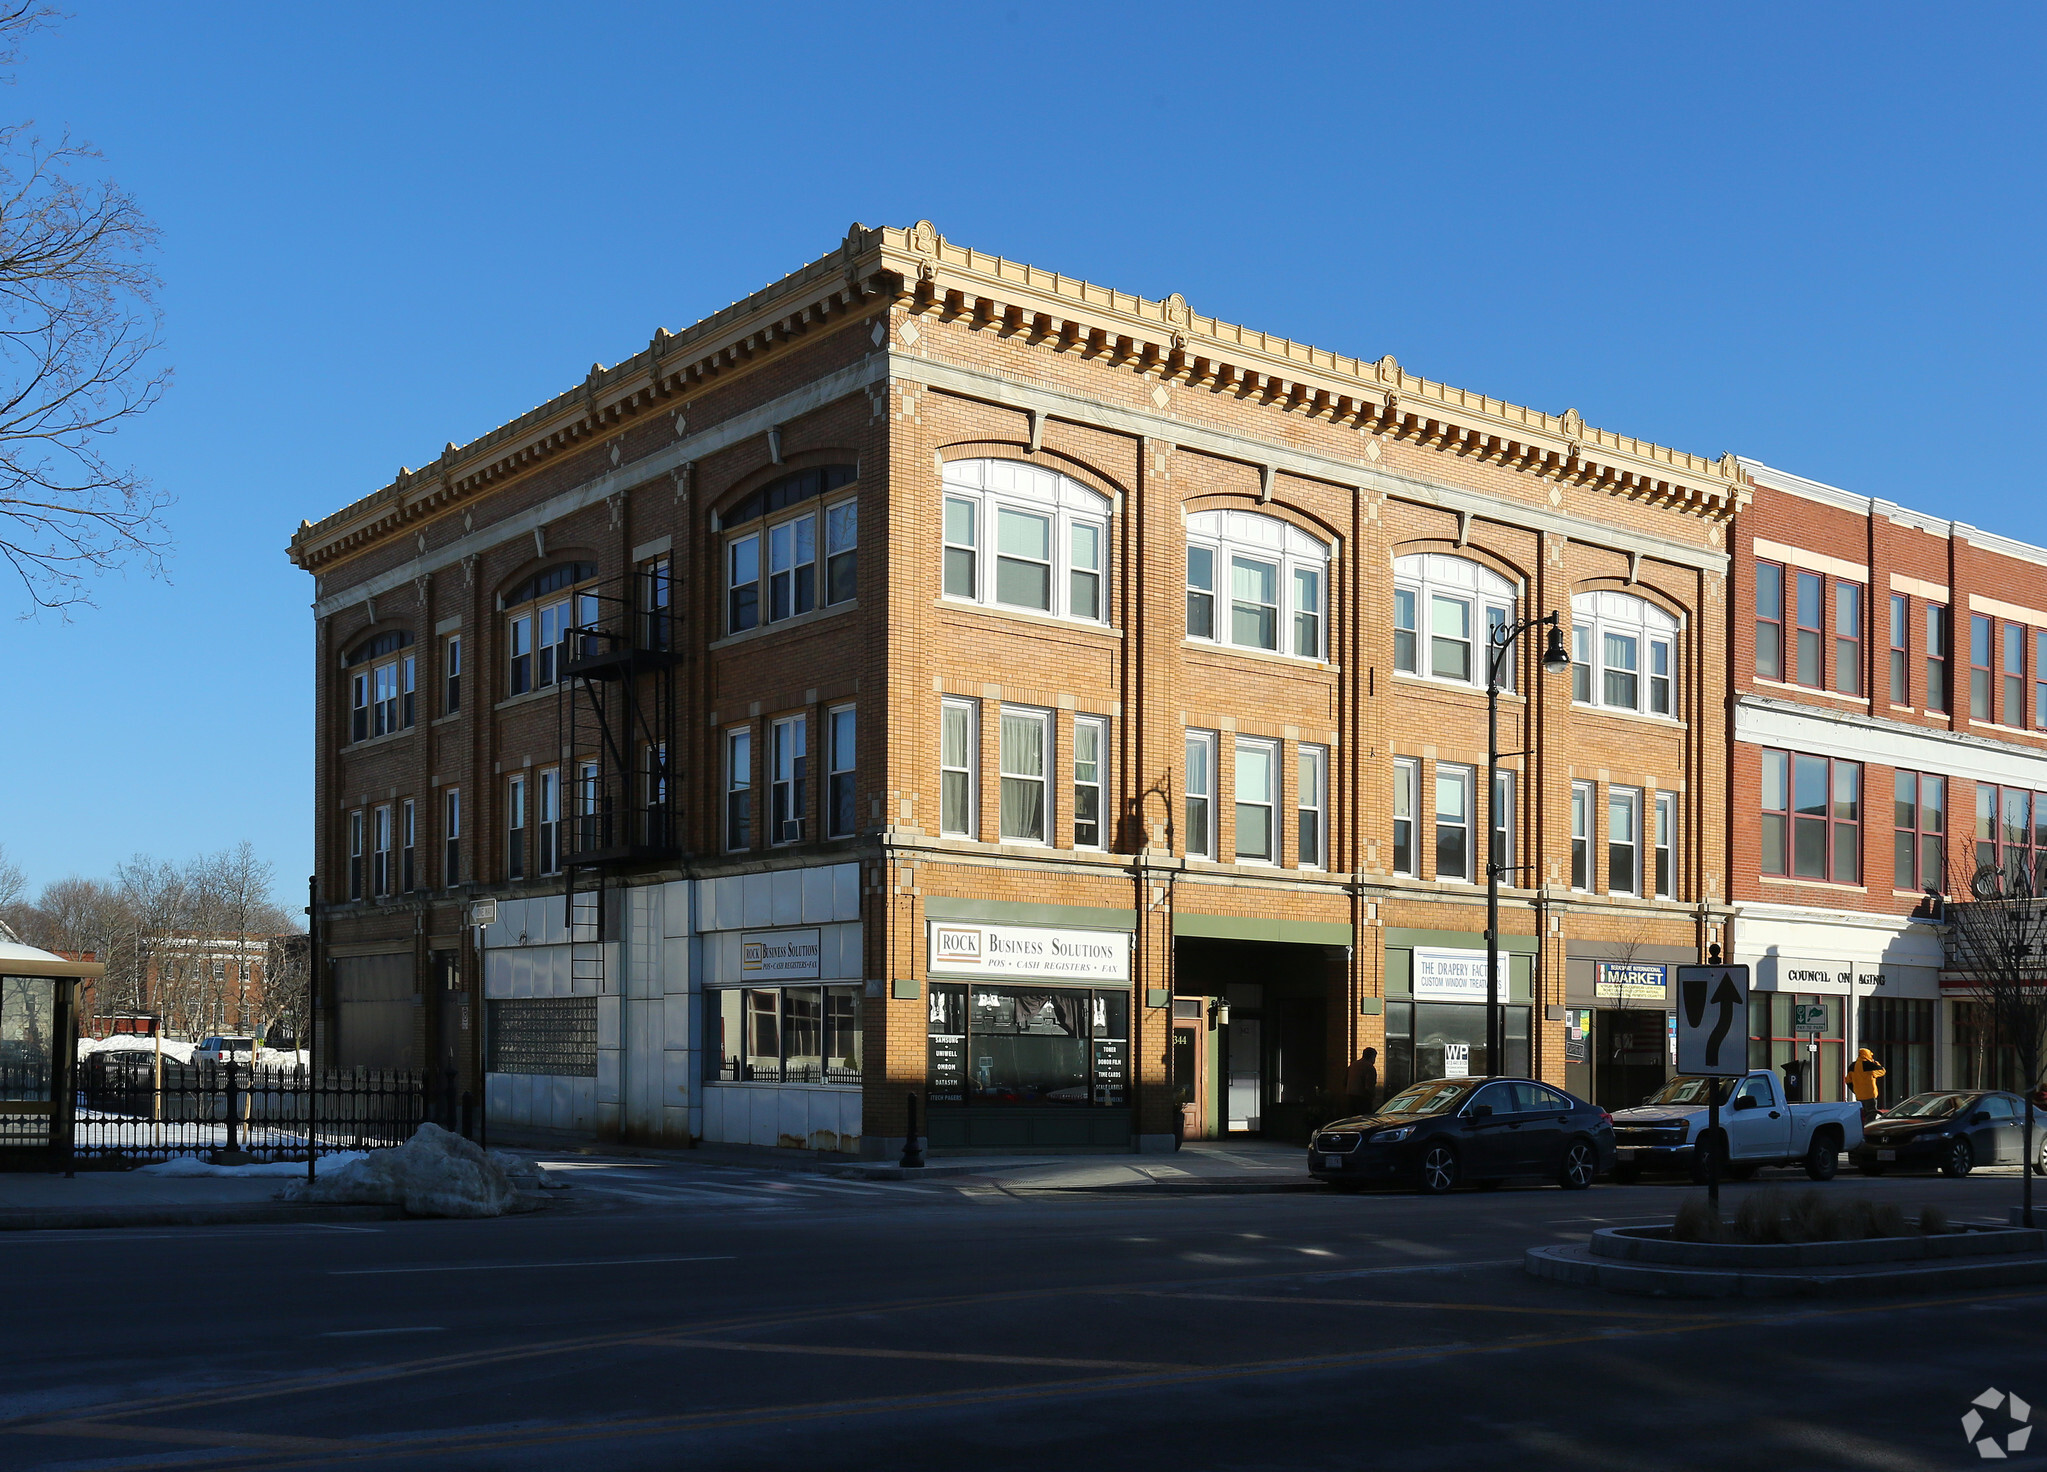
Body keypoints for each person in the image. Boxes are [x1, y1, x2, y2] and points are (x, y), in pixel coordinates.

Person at [1845, 1048, 1886, 1121]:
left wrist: (1854, 1090)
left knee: (1862, 1115)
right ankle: (1869, 1130)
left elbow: (1848, 1081)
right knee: (1871, 1115)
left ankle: (1862, 1129)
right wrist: (1875, 1064)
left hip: (1859, 1095)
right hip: (1870, 1095)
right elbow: (1882, 1071)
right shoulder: (1869, 1064)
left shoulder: (1852, 1066)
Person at [1345, 1046, 1379, 1117]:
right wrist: (1373, 1096)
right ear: (1372, 1057)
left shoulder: (1353, 1065)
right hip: (1363, 1099)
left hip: (1349, 1098)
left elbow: (1345, 1080)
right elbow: (1369, 1086)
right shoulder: (1370, 1068)